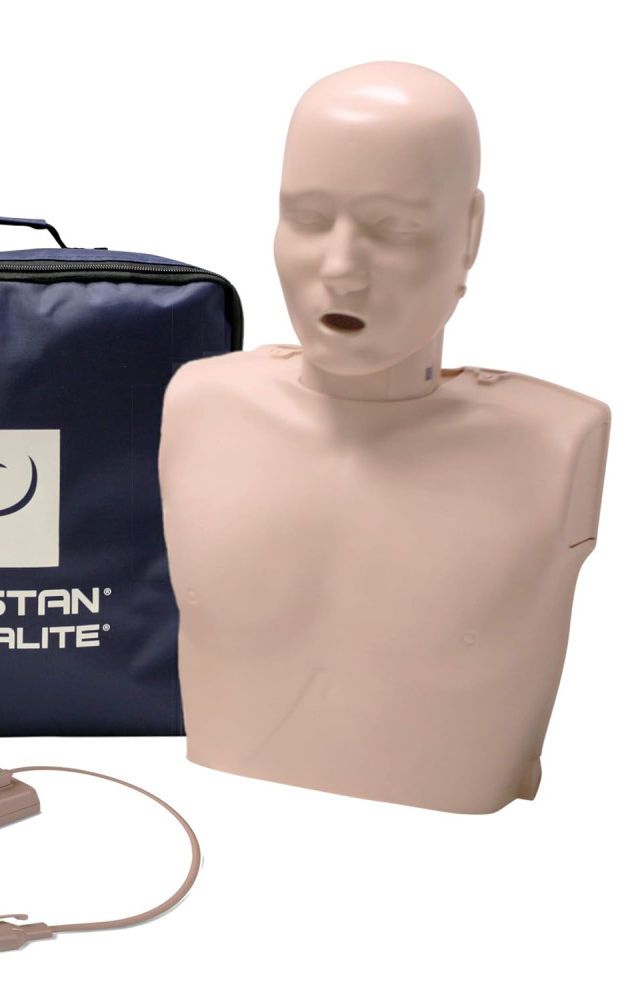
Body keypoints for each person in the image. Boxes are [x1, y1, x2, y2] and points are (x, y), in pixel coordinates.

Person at [158, 62, 610, 813]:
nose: (341, 270)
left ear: (468, 234)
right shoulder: (200, 404)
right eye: (307, 218)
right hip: (223, 807)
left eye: (394, 228)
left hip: (446, 857)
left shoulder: (554, 445)